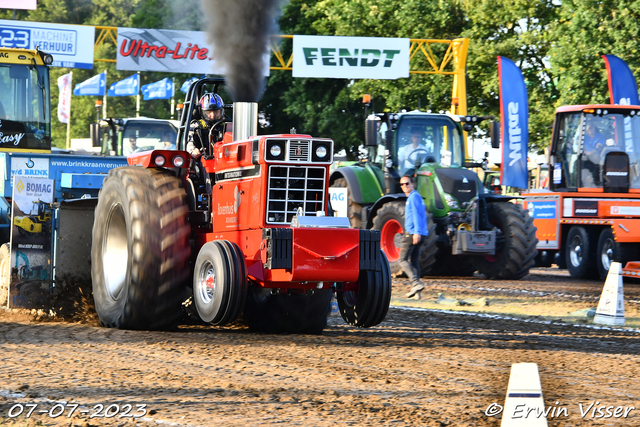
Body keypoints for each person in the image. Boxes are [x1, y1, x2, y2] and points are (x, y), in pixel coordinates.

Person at [399, 174, 429, 300]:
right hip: (420, 233)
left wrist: (416, 232)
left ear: (413, 184)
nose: (405, 186)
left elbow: (417, 216)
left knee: (402, 260)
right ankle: (417, 293)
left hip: (412, 233)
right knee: (414, 261)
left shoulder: (413, 197)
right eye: (402, 184)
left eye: (407, 183)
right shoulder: (416, 197)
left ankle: (416, 283)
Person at [187, 93, 225, 159]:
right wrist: (193, 151)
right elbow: (189, 143)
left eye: (216, 111)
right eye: (209, 112)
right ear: (202, 112)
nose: (213, 115)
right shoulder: (195, 126)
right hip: (203, 162)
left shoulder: (227, 126)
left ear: (221, 111)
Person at [582, 119, 606, 186]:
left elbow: (599, 148)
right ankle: (583, 181)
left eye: (592, 127)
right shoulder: (584, 137)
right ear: (586, 128)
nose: (590, 129)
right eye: (589, 127)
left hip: (598, 155)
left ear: (594, 127)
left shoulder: (601, 136)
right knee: (578, 162)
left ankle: (597, 181)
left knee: (596, 159)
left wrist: (589, 153)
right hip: (586, 155)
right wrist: (585, 152)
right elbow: (581, 147)